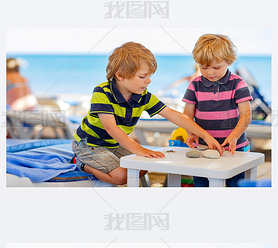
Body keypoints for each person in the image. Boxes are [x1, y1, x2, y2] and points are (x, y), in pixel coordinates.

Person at [72, 42, 223, 185]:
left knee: (144, 165)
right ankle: (81, 163)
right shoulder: (102, 93)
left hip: (113, 144)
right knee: (120, 176)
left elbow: (175, 115)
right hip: (89, 144)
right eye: (143, 77)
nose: (149, 81)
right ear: (120, 75)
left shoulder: (143, 96)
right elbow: (111, 128)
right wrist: (139, 149)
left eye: (150, 76)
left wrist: (206, 136)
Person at [182, 34, 253, 187]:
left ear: (228, 61)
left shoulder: (238, 84)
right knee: (202, 185)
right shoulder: (194, 85)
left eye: (216, 67)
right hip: (203, 148)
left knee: (235, 186)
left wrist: (233, 137)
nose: (210, 73)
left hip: (235, 150)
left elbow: (246, 115)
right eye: (204, 67)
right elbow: (187, 116)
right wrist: (192, 133)